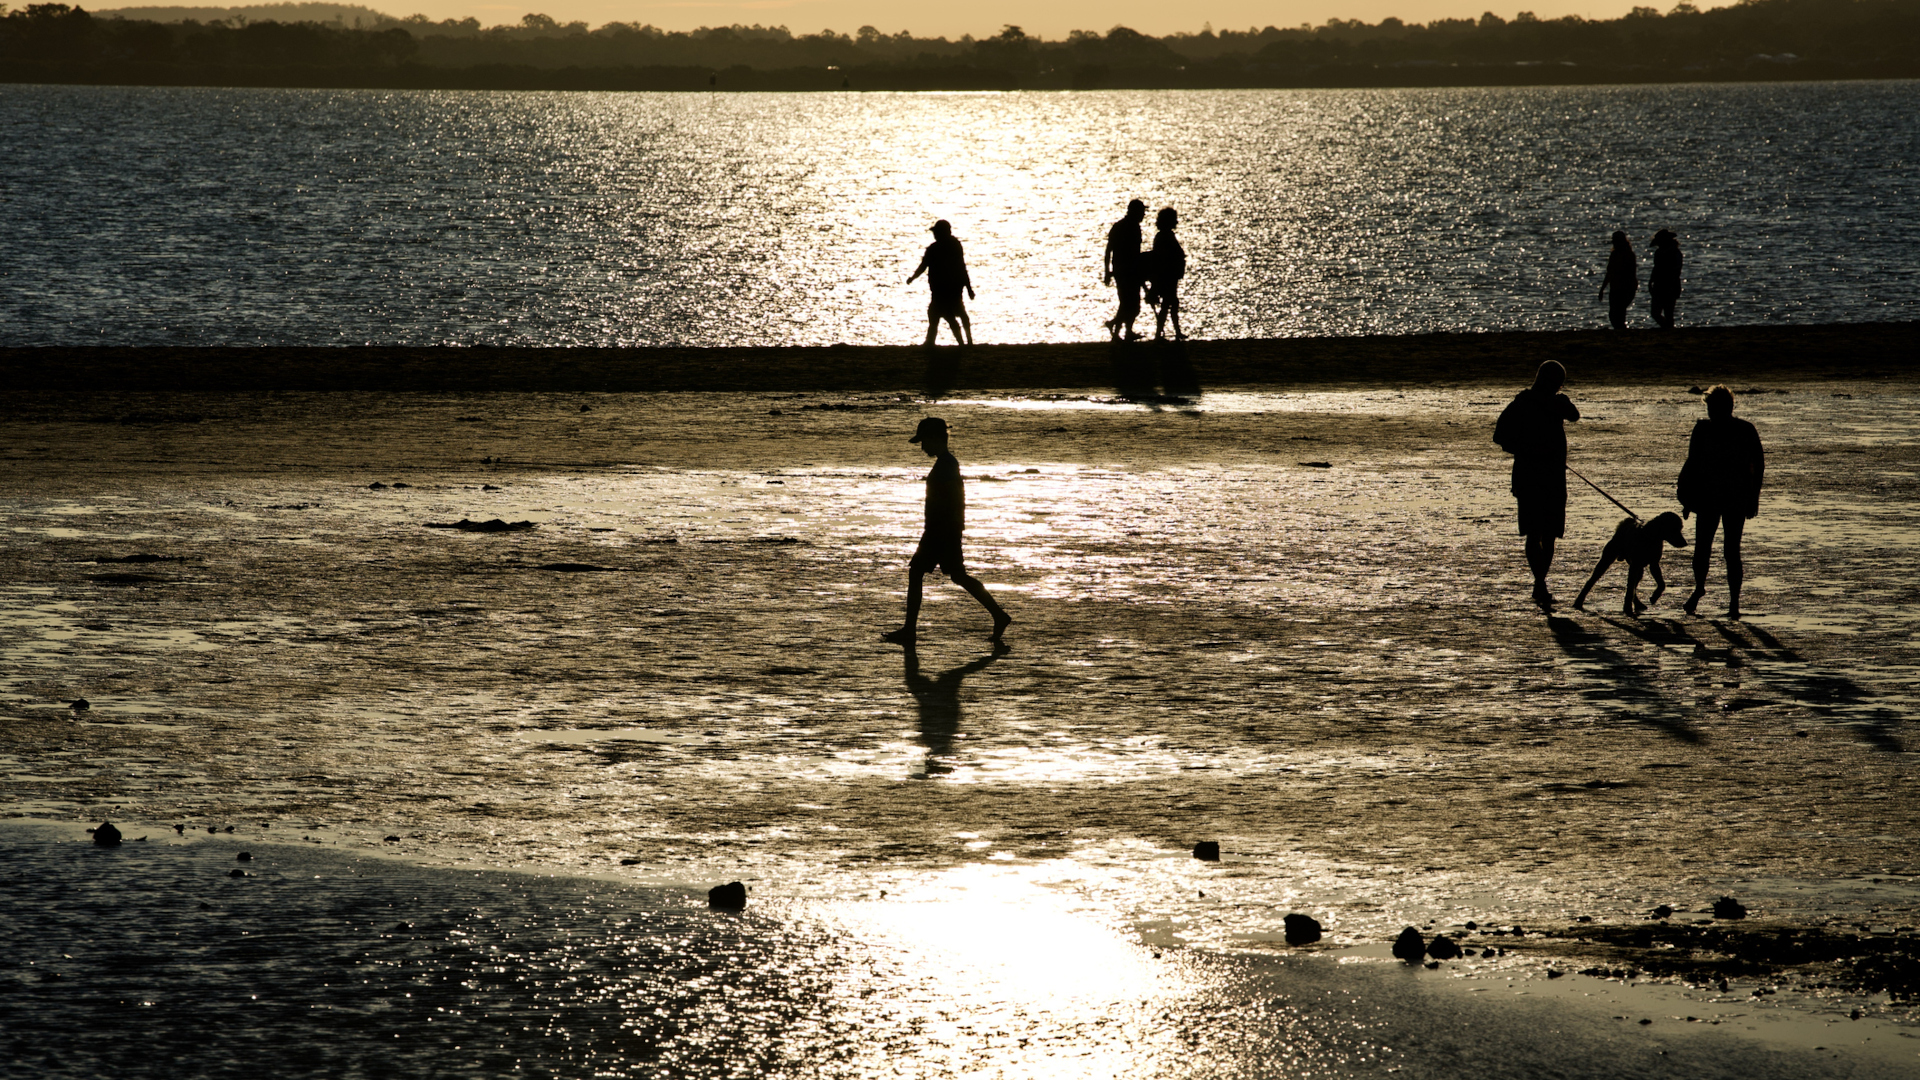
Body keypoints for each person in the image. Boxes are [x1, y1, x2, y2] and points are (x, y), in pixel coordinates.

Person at [883, 417, 1011, 645]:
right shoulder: (947, 463)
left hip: (940, 531)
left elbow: (951, 500)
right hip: (945, 530)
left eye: (924, 441)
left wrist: (941, 531)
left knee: (919, 572)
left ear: (935, 439)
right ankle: (998, 615)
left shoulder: (946, 465)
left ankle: (910, 631)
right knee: (956, 576)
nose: (922, 447)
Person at [1494, 360, 1581, 607]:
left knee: (1545, 534)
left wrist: (1558, 402)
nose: (1558, 387)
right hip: (1534, 476)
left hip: (1546, 476)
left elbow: (1574, 415)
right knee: (1539, 534)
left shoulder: (1545, 402)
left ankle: (1540, 582)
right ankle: (1540, 583)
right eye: (1557, 383)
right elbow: (1500, 436)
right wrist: (1529, 450)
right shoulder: (1523, 403)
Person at [1676, 385, 1764, 619]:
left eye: (1714, 408)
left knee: (1727, 551)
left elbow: (1758, 465)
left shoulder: (1742, 429)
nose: (1711, 412)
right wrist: (1686, 497)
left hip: (1730, 497)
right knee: (1708, 550)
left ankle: (1732, 602)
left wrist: (1754, 498)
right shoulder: (1709, 429)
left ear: (1727, 407)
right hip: (1712, 497)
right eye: (1710, 408)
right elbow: (1692, 464)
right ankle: (1703, 590)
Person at [907, 219, 974, 346]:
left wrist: (969, 288)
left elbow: (960, 267)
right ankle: (964, 342)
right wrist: (968, 288)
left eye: (937, 232)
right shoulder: (949, 246)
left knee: (946, 315)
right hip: (946, 288)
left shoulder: (940, 248)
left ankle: (963, 342)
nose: (935, 235)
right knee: (949, 315)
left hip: (945, 288)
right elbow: (962, 268)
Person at [1103, 199, 1147, 341]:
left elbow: (1109, 251)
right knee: (1130, 304)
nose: (1143, 215)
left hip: (1123, 270)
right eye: (1142, 212)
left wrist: (1108, 271)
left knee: (1128, 304)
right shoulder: (1128, 228)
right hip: (1126, 270)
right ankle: (1115, 326)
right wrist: (1107, 271)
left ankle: (1125, 331)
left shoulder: (1121, 226)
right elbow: (1109, 250)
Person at [1145, 206, 1187, 341]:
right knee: (1170, 303)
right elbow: (1163, 256)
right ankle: (1164, 333)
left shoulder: (1164, 235)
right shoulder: (1165, 236)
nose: (1176, 222)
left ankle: (1171, 332)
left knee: (1170, 304)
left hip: (1169, 274)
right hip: (1167, 275)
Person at [1598, 230, 1638, 330]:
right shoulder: (1615, 255)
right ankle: (1621, 330)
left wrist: (1631, 287)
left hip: (1624, 287)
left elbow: (1631, 273)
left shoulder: (1629, 255)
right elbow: (1609, 273)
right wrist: (1602, 289)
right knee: (1614, 314)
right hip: (1615, 287)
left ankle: (1622, 331)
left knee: (1618, 313)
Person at [1649, 229, 1683, 329]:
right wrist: (1651, 281)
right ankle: (1667, 327)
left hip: (1670, 284)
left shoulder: (1675, 253)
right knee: (1656, 312)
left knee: (1668, 312)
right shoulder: (1659, 252)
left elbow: (1676, 270)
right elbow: (1656, 268)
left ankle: (1668, 328)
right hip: (1660, 284)